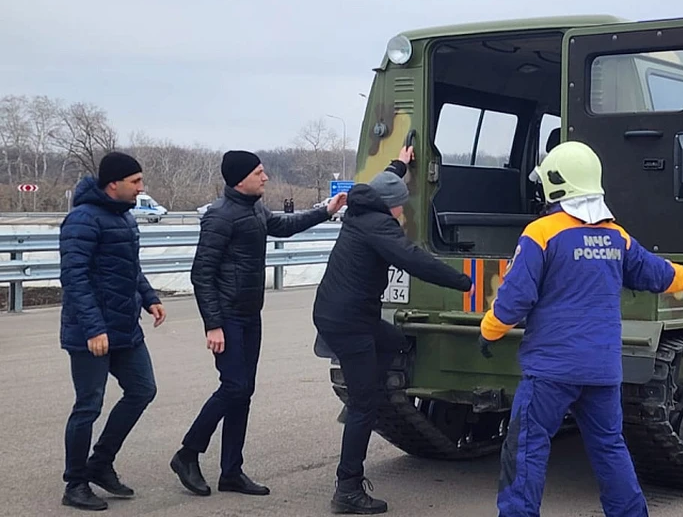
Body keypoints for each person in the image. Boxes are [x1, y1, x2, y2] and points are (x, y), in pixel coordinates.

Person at [478, 141, 683, 517]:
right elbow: (657, 274)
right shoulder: (615, 236)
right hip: (603, 370)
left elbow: (514, 301)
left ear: (556, 185)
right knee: (609, 446)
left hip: (551, 371)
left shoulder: (540, 233)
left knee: (526, 447)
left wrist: (489, 332)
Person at [169, 150, 348, 498]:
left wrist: (326, 211)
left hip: (251, 314)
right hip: (228, 317)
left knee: (244, 392)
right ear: (240, 178)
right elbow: (201, 274)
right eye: (259, 173)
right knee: (234, 387)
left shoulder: (255, 208)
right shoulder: (219, 217)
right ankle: (187, 453)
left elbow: (283, 226)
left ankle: (231, 472)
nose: (265, 178)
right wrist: (213, 325)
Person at [313, 144, 475, 515]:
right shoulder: (379, 226)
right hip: (348, 322)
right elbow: (414, 260)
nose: (403, 210)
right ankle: (348, 488)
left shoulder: (362, 209)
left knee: (395, 341)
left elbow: (381, 183)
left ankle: (375, 382)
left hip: (349, 314)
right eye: (400, 205)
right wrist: (465, 283)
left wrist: (400, 163)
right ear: (389, 207)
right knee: (363, 406)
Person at [58, 152, 167, 511]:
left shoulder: (124, 219)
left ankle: (100, 463)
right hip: (92, 332)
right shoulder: (82, 220)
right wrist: (93, 329)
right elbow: (74, 278)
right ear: (113, 184)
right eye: (135, 182)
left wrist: (149, 298)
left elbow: (129, 268)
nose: (141, 188)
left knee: (142, 390)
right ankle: (75, 483)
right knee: (88, 405)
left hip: (124, 327)